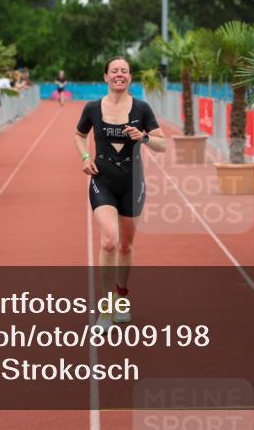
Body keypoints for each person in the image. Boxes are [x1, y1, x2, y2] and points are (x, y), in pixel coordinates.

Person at [74, 56, 166, 327]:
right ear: (105, 77)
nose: (119, 74)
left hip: (133, 183)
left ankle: (123, 295)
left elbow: (162, 144)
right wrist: (84, 157)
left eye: (124, 71)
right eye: (114, 71)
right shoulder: (92, 108)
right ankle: (107, 307)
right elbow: (79, 135)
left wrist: (144, 138)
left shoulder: (142, 108)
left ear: (130, 78)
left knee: (125, 244)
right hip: (102, 180)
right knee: (109, 241)